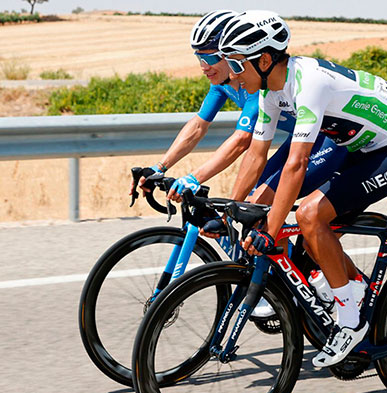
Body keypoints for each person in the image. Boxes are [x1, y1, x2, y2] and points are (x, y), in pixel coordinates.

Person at [218, 10, 387, 367]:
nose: (232, 77)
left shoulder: (308, 82)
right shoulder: (272, 92)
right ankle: (353, 287)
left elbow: (296, 165)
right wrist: (232, 210)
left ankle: (352, 316)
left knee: (309, 214)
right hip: (358, 147)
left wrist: (269, 230)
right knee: (293, 218)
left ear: (265, 59)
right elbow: (256, 156)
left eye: (237, 66)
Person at [132, 10, 345, 317]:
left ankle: (297, 287)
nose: (203, 66)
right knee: (252, 207)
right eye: (197, 57)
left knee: (260, 203)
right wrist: (161, 167)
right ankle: (281, 281)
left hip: (321, 141)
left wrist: (194, 177)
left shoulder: (251, 83)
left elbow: (242, 142)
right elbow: (198, 126)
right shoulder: (221, 83)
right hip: (295, 140)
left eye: (209, 57)